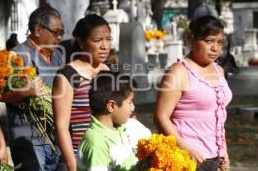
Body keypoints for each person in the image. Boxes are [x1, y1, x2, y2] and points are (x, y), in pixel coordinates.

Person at [154, 15, 231, 171]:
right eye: (209, 41)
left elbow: (218, 114)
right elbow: (160, 117)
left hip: (214, 157)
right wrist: (186, 148)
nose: (215, 48)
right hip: (185, 158)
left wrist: (224, 150)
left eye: (220, 42)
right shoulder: (178, 72)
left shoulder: (219, 70)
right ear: (191, 40)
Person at [3, 5, 64, 171]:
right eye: (55, 32)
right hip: (29, 139)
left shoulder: (58, 55)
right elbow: (1, 94)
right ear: (38, 29)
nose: (59, 37)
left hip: (56, 137)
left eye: (61, 33)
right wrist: (25, 92)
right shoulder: (17, 55)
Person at [52, 14, 111, 171]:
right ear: (80, 41)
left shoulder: (109, 71)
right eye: (98, 41)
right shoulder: (67, 76)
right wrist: (72, 164)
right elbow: (61, 126)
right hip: (81, 158)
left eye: (108, 39)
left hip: (109, 155)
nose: (105, 46)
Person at [77, 71, 137, 170]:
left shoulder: (121, 129)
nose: (133, 107)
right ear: (111, 106)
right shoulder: (96, 142)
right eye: (130, 102)